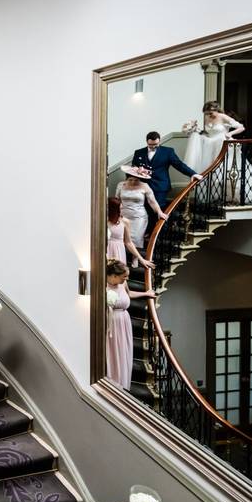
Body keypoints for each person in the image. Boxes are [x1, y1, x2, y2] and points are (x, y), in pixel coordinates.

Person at [183, 101, 252, 205]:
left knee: (226, 172)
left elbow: (241, 127)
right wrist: (195, 130)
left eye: (211, 112)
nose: (209, 115)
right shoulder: (207, 118)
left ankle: (232, 197)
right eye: (207, 113)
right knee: (212, 173)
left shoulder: (223, 117)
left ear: (216, 110)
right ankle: (218, 197)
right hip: (210, 147)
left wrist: (230, 133)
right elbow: (208, 132)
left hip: (223, 145)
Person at [131, 131, 202, 238]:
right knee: (147, 209)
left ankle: (160, 235)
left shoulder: (168, 152)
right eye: (151, 145)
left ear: (160, 141)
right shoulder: (138, 152)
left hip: (160, 186)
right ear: (147, 142)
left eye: (156, 144)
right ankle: (150, 232)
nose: (153, 147)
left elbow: (179, 165)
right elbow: (133, 169)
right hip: (143, 186)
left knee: (158, 210)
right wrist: (138, 171)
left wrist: (193, 173)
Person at [104, 258, 156, 390]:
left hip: (125, 322)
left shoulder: (122, 284)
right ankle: (114, 383)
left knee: (125, 352)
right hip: (113, 323)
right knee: (114, 353)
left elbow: (129, 294)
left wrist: (146, 293)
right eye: (124, 277)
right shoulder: (103, 286)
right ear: (114, 276)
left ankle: (124, 383)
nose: (126, 279)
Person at [116, 166, 167, 259]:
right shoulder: (121, 185)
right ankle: (123, 258)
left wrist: (159, 212)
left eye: (136, 180)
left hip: (139, 217)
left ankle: (135, 258)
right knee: (123, 238)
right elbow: (117, 200)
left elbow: (152, 201)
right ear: (127, 178)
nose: (133, 182)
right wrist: (116, 213)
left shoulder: (145, 186)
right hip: (123, 215)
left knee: (136, 238)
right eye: (130, 179)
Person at [106, 197, 153, 269]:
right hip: (105, 250)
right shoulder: (104, 220)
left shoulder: (125, 222)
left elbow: (128, 243)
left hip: (118, 251)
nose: (121, 211)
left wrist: (141, 259)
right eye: (119, 209)